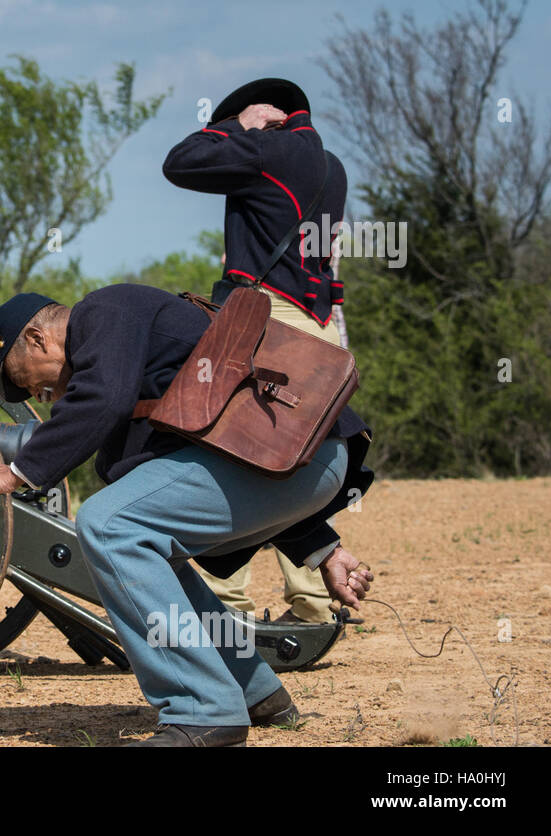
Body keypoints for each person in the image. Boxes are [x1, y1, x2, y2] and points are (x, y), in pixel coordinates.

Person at [0, 287, 374, 746]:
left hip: (306, 451)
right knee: (145, 541)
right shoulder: (125, 358)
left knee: (108, 525)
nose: (36, 397)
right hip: (302, 460)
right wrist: (323, 548)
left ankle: (202, 711)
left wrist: (19, 471)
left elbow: (105, 399)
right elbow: (241, 448)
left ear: (38, 338)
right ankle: (254, 689)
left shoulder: (103, 311)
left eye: (24, 382)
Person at [162, 78, 351, 625]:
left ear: (270, 115)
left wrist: (239, 128)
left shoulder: (267, 149)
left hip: (269, 322)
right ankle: (314, 601)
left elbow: (182, 162)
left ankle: (229, 603)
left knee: (228, 453)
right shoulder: (331, 164)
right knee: (300, 463)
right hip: (319, 327)